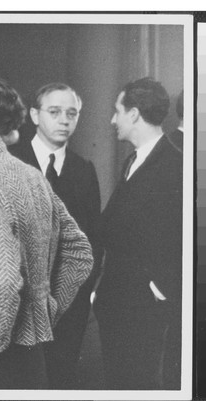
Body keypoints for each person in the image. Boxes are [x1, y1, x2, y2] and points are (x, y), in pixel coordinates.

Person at [0, 78, 94, 389]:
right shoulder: (31, 175)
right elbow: (80, 253)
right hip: (31, 354)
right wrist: (43, 308)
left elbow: (3, 278)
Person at [9, 82, 102, 389]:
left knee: (60, 382)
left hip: (67, 308)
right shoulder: (11, 161)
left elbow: (91, 242)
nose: (64, 120)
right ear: (34, 115)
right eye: (55, 112)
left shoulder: (84, 169)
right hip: (16, 302)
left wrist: (72, 298)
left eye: (72, 113)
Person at [94, 77, 183, 390]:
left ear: (133, 114)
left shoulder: (175, 164)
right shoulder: (134, 159)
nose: (112, 120)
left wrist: (158, 288)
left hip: (142, 309)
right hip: (119, 302)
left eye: (118, 111)